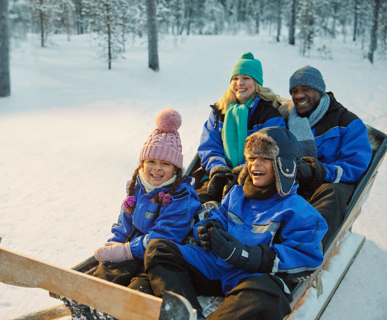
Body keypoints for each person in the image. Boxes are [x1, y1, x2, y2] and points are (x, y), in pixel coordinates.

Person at [145, 126, 328, 320]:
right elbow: (220, 216)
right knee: (159, 248)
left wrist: (246, 256)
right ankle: (187, 315)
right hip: (215, 266)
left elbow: (307, 257)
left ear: (283, 165)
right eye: (251, 158)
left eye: (265, 158)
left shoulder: (300, 211)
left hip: (250, 279)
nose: (255, 164)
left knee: (268, 295)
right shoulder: (237, 193)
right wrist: (209, 230)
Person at [63, 109, 202, 320]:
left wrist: (126, 250)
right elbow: (124, 225)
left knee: (143, 277)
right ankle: (86, 300)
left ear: (175, 170)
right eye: (152, 162)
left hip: (164, 254)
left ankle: (118, 309)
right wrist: (112, 248)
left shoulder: (181, 198)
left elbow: (163, 237)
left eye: (165, 164)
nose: (157, 169)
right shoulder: (136, 187)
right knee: (114, 266)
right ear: (142, 164)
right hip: (138, 247)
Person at [282, 65, 372, 250]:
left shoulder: (348, 122)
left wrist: (317, 171)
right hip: (294, 181)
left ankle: (304, 253)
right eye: (294, 91)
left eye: (306, 89)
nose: (299, 96)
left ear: (320, 91)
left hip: (329, 184)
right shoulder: (288, 120)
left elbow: (354, 166)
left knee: (333, 192)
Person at [197, 52, 286, 204]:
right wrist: (218, 169)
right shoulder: (220, 111)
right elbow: (209, 145)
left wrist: (241, 171)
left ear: (256, 82)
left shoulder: (269, 114)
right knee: (196, 200)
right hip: (218, 173)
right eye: (235, 78)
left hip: (253, 176)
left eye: (246, 78)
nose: (240, 83)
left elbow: (270, 151)